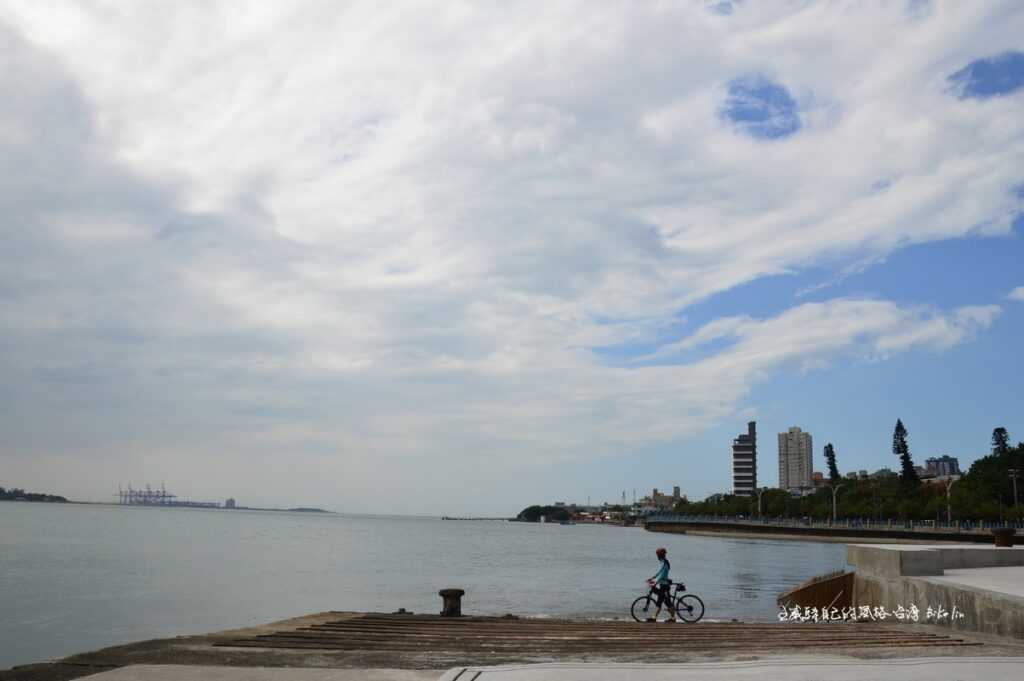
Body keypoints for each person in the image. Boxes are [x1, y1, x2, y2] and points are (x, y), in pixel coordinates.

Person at [646, 546, 677, 622]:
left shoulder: (664, 563)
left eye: (658, 554)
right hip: (662, 584)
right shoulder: (662, 562)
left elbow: (662, 575)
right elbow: (659, 572)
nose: (657, 556)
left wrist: (655, 583)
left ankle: (656, 617)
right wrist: (652, 578)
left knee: (663, 601)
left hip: (665, 585)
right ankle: (657, 617)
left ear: (660, 555)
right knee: (663, 601)